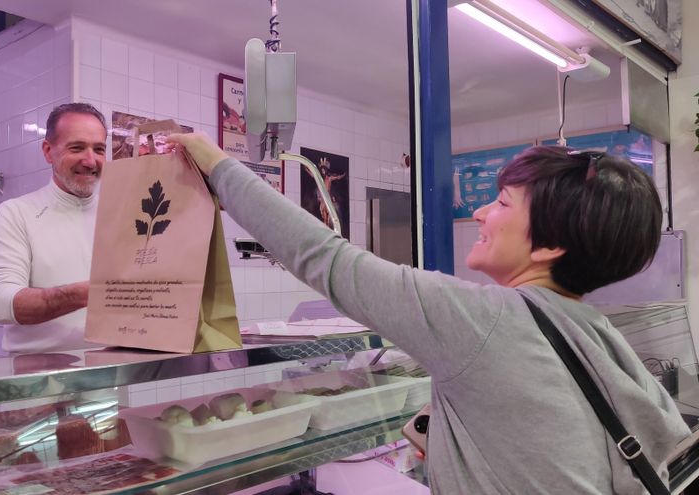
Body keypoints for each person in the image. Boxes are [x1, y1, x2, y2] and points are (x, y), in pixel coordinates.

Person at [166, 133, 690, 494]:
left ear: (550, 244)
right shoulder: (598, 332)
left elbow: (325, 258)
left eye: (503, 203)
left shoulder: (485, 319)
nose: (481, 213)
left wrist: (217, 165)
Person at [0, 103, 107, 353]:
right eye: (77, 147)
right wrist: (91, 293)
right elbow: (0, 302)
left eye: (99, 149)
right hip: (37, 378)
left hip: (112, 375)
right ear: (48, 151)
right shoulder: (16, 213)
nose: (90, 160)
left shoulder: (122, 214)